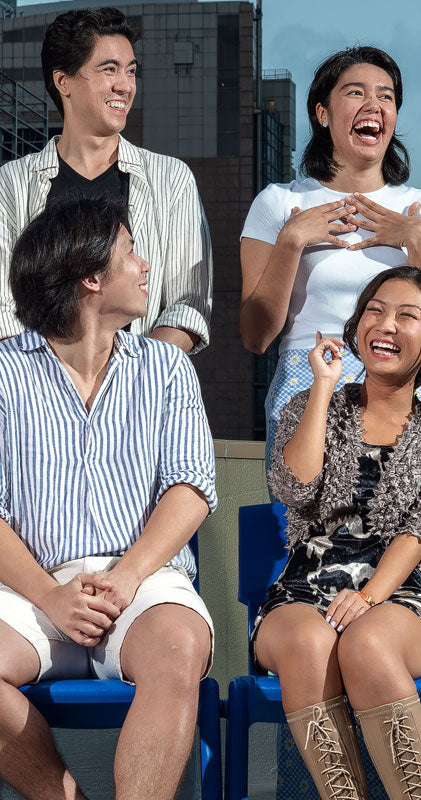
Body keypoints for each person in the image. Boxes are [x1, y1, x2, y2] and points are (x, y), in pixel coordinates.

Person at [0, 196, 217, 800]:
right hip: (30, 587)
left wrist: (125, 579)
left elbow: (191, 489)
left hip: (143, 580)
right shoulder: (3, 373)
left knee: (180, 648)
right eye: (130, 252)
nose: (146, 266)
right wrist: (49, 594)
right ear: (91, 276)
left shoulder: (167, 370)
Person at [255, 266, 421, 799]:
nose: (386, 324)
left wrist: (371, 596)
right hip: (301, 594)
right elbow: (294, 488)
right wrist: (322, 390)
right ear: (356, 328)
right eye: (374, 310)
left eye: (406, 315)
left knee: (368, 643)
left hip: (397, 596)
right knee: (309, 642)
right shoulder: (308, 409)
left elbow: (420, 532)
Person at [239, 46, 421, 464]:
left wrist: (416, 241)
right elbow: (255, 336)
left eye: (386, 95)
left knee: (411, 521)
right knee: (311, 524)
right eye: (355, 93)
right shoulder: (278, 203)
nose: (373, 104)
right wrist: (292, 241)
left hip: (403, 386)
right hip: (306, 384)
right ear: (322, 113)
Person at [0, 7, 212, 354]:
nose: (125, 85)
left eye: (131, 71)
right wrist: (47, 384)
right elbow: (2, 312)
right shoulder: (11, 184)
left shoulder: (171, 179)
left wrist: (133, 379)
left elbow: (189, 307)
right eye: (108, 69)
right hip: (33, 396)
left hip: (141, 394)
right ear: (63, 81)